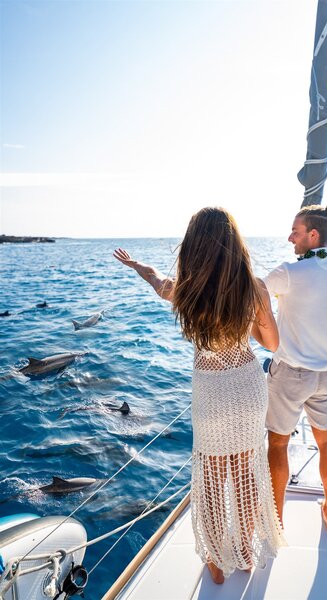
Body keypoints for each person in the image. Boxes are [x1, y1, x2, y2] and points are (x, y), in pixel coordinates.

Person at [114, 207, 286, 584]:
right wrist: (249, 327)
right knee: (244, 474)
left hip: (210, 393)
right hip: (245, 386)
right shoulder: (253, 288)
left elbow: (156, 278)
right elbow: (272, 342)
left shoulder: (185, 292)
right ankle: (243, 554)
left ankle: (213, 560)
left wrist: (137, 265)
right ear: (235, 244)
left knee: (211, 476)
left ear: (192, 248)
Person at [264, 201, 327, 534]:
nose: (290, 238)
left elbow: (254, 297)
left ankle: (276, 523)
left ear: (313, 234)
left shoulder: (290, 272)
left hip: (291, 373)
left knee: (277, 444)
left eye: (296, 231)